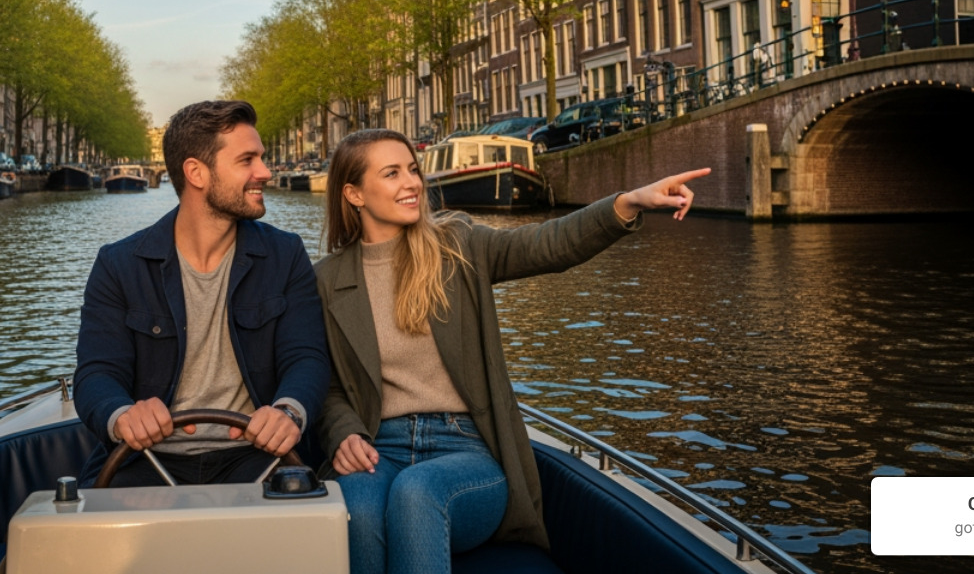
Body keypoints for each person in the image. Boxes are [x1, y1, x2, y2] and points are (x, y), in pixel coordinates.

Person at [315, 127, 708, 574]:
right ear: (354, 193)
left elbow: (548, 245)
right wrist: (344, 432)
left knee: (417, 492)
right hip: (377, 445)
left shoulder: (458, 246)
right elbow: (326, 385)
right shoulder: (326, 280)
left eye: (412, 169)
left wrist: (630, 202)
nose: (412, 183)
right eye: (391, 173)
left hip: (463, 447)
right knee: (358, 511)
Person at [74, 99, 329, 487]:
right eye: (247, 160)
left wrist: (287, 413)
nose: (265, 171)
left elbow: (306, 357)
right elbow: (97, 373)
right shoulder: (118, 265)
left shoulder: (286, 254)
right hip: (147, 457)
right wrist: (123, 414)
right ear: (196, 172)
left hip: (253, 456)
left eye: (261, 157)